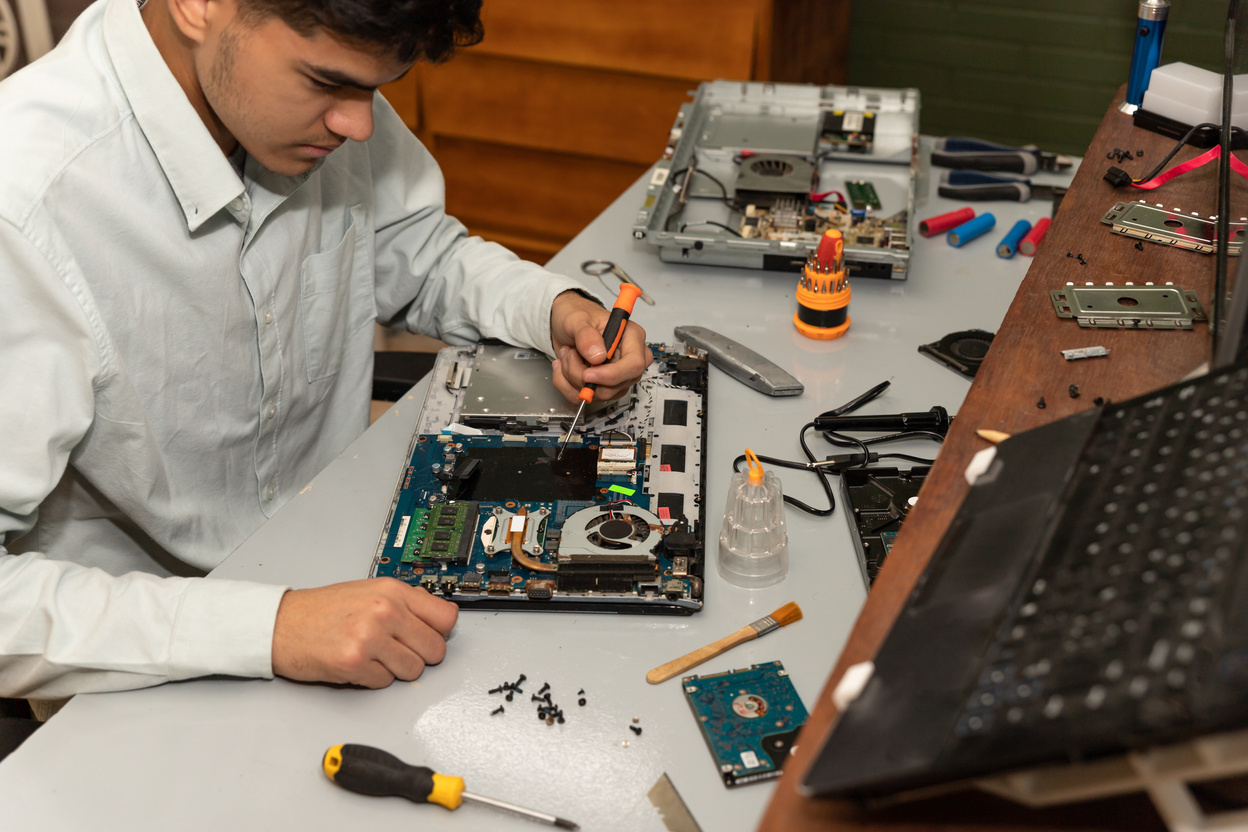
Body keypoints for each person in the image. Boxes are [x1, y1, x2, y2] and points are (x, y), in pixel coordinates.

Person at [0, 0, 650, 701]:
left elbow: (420, 257)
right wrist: (272, 627)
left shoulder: (309, 102)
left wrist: (552, 309)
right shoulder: (25, 206)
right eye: (326, 82)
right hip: (146, 656)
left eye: (376, 89)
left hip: (347, 562)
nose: (359, 125)